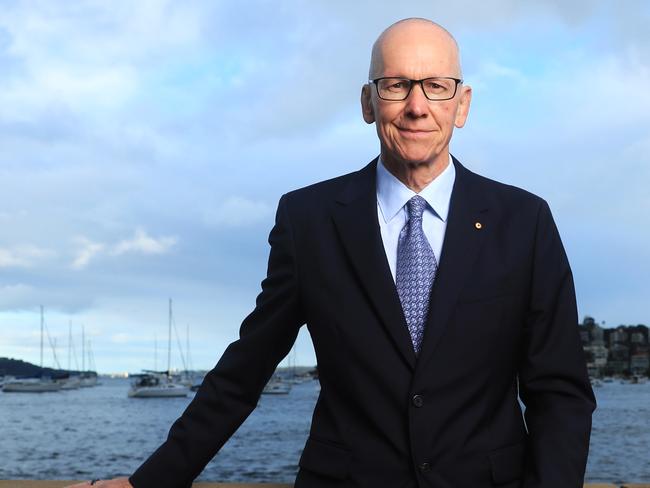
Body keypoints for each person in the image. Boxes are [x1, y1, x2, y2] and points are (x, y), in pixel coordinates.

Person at [69, 18, 596, 488]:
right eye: (396, 86)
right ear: (368, 102)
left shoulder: (524, 221)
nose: (417, 106)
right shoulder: (309, 221)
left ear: (462, 105)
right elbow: (245, 371)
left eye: (436, 86)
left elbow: (560, 392)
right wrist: (150, 482)